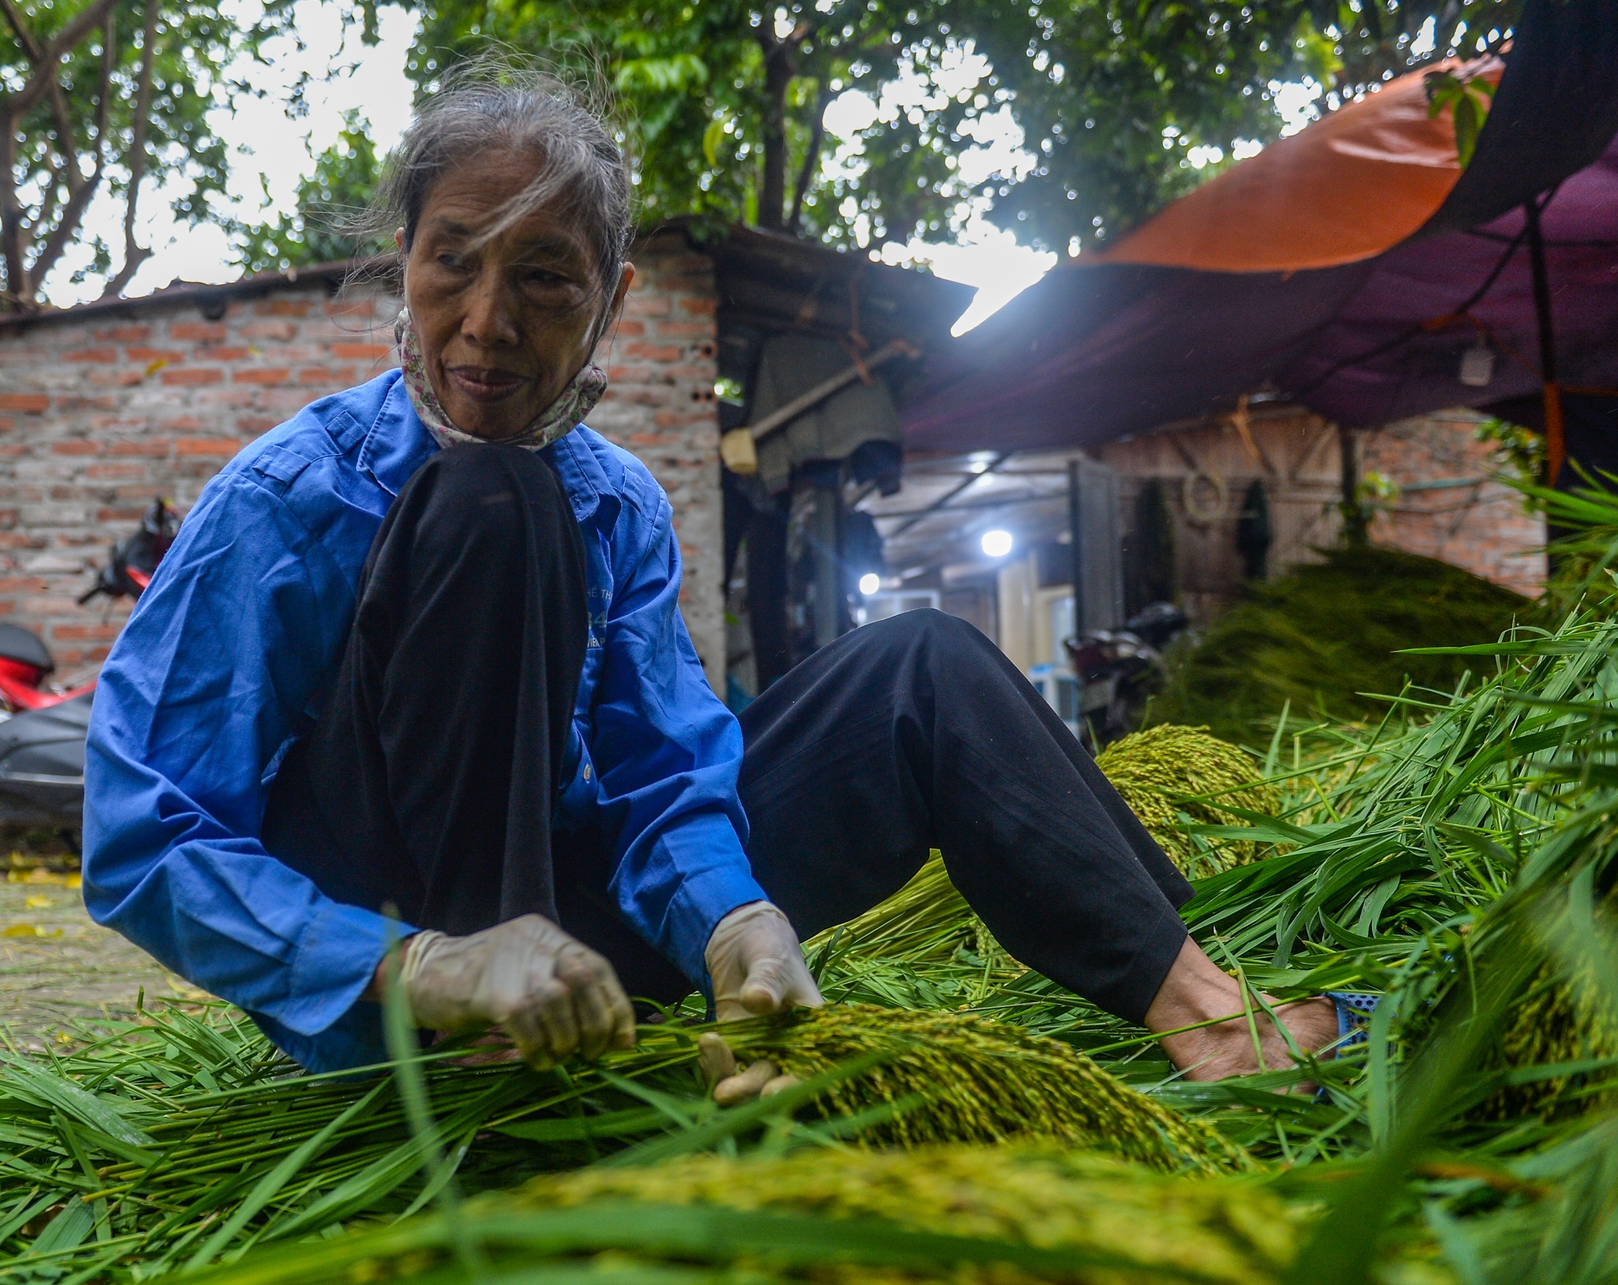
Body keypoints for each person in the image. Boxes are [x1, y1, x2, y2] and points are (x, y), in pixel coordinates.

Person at [84, 66, 1340, 1100]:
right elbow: (138, 837)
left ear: (609, 302)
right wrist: (414, 964)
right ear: (400, 265)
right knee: (490, 494)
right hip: (399, 971)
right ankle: (487, 1055)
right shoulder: (291, 493)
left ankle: (1210, 1016)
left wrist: (735, 926)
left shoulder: (615, 500)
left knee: (923, 664)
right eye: (453, 261)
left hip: (579, 948)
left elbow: (657, 772)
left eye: (544, 278)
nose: (487, 320)